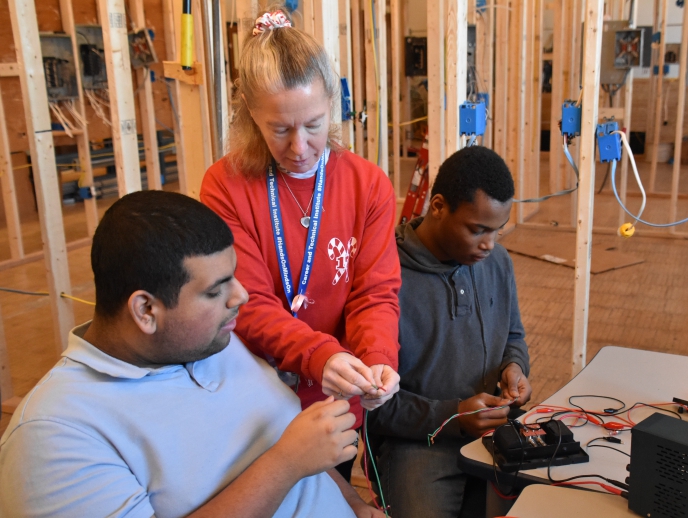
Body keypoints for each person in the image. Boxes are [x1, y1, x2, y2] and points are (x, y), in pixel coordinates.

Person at [0, 191, 382, 518]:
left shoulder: (210, 341)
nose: (241, 296)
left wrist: (352, 502)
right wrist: (284, 464)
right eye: (215, 291)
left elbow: (295, 442)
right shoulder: (55, 434)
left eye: (234, 276)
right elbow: (293, 454)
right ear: (146, 311)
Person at [200, 10, 401, 481]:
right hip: (254, 395)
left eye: (313, 124)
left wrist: (376, 362)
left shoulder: (367, 184)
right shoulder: (225, 186)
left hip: (337, 394)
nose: (299, 146)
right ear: (251, 113)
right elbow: (246, 303)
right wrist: (319, 355)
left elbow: (374, 292)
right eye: (279, 129)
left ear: (334, 101)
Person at [368, 146, 533, 518]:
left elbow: (514, 337)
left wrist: (514, 368)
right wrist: (452, 414)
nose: (489, 245)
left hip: (493, 432)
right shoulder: (383, 276)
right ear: (438, 206)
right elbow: (370, 406)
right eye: (478, 230)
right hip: (416, 443)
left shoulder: (497, 263)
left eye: (497, 231)